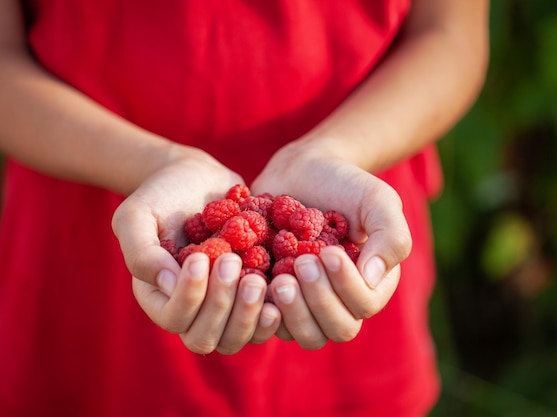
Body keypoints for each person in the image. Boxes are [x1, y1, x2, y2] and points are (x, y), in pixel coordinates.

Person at [0, 1, 489, 416]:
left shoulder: (307, 227)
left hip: (354, 178)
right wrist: (151, 163)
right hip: (91, 240)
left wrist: (334, 153)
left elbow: (450, 34)